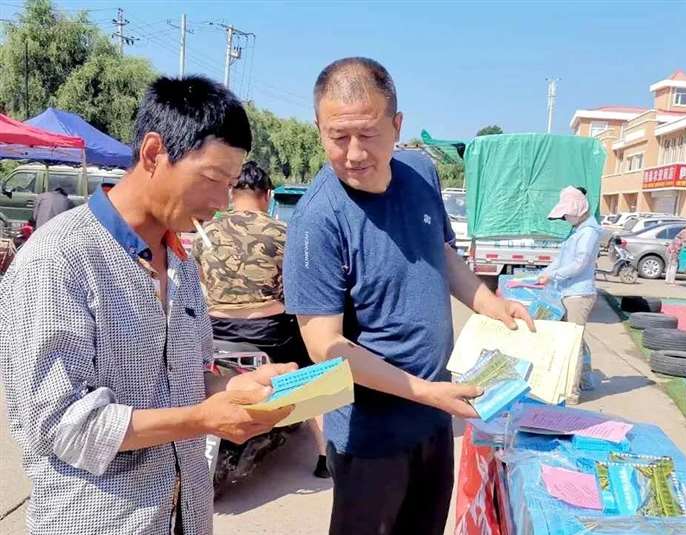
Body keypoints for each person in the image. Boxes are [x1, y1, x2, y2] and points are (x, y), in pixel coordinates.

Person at [0, 76, 295, 535]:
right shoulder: (58, 259)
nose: (221, 202)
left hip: (185, 514)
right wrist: (201, 420)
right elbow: (62, 424)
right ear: (155, 153)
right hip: (99, 520)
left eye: (230, 184)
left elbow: (185, 378)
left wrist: (237, 387)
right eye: (212, 179)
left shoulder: (181, 261)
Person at [283, 57, 534, 535]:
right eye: (338, 137)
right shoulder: (317, 220)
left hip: (435, 419)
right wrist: (426, 391)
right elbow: (323, 345)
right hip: (371, 438)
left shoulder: (420, 173)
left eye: (368, 134)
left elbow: (440, 250)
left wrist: (490, 303)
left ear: (397, 126)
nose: (354, 153)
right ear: (319, 129)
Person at [192, 160, 330, 478]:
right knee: (311, 375)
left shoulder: (205, 232)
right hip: (270, 332)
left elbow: (201, 279)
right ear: (267, 195)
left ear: (231, 192)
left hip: (216, 330)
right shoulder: (284, 232)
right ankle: (325, 456)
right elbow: (298, 285)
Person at [536, 186, 603, 403]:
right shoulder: (577, 230)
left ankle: (571, 392)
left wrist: (552, 275)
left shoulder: (589, 232)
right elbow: (561, 259)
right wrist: (544, 273)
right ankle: (585, 379)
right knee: (576, 339)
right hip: (567, 291)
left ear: (578, 209)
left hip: (579, 294)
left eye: (566, 214)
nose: (565, 218)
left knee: (572, 343)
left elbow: (580, 263)